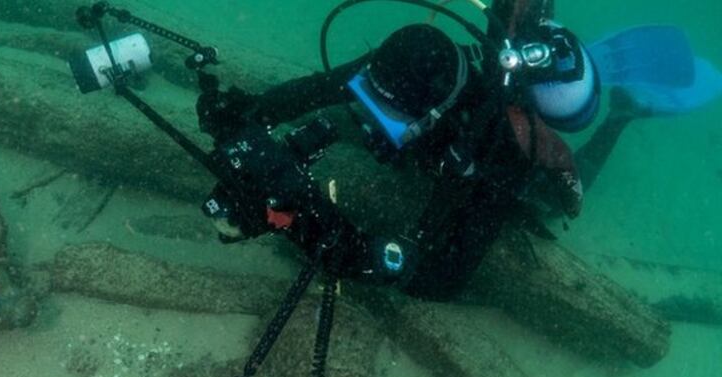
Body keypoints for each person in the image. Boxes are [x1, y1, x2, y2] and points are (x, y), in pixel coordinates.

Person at [213, 0, 658, 300]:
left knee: (546, 205)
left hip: (509, 168)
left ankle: (621, 116)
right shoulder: (404, 64)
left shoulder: (495, 156)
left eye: (389, 116)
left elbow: (447, 278)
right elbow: (315, 91)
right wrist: (247, 115)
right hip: (451, 124)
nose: (372, 117)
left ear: (432, 114)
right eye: (369, 98)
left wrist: (340, 244)